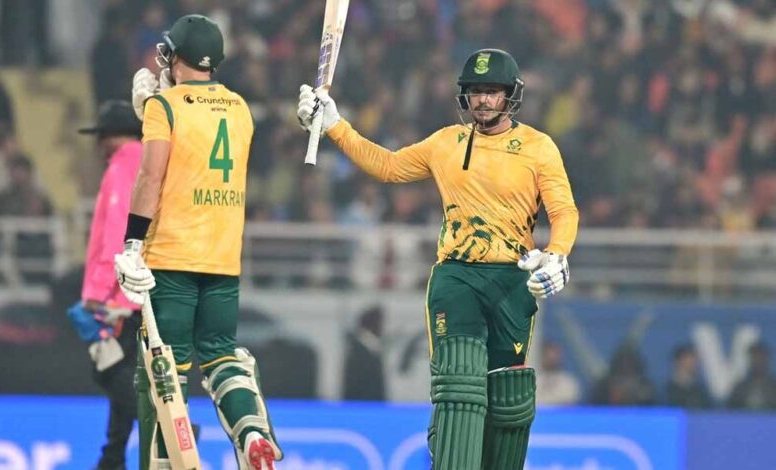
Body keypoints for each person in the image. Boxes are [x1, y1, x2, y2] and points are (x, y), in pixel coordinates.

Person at [298, 48, 579, 470]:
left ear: (510, 95)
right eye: (476, 91)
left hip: (513, 279)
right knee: (459, 385)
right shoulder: (447, 142)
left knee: (508, 400)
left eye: (492, 91)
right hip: (456, 278)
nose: (483, 100)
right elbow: (389, 166)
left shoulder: (539, 148)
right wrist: (336, 126)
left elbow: (564, 211)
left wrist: (557, 255)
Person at [115, 14, 282, 470]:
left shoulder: (165, 107)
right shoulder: (240, 108)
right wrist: (154, 108)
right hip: (223, 259)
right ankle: (252, 433)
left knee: (166, 374)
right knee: (222, 356)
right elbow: (200, 148)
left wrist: (132, 244)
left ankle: (167, 464)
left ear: (177, 56)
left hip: (171, 256)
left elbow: (152, 176)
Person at [67, 100, 143, 470]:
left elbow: (116, 233)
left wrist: (97, 294)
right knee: (126, 370)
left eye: (100, 137)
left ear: (112, 137)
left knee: (109, 370)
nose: (97, 146)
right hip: (143, 288)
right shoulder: (149, 163)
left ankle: (164, 426)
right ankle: (111, 458)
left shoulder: (122, 167)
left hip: (118, 296)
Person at [728, 341, 776, 410]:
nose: (758, 361)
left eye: (761, 357)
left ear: (767, 359)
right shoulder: (740, 387)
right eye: (755, 357)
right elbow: (730, 410)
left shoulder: (774, 387)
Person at [665, 344, 712, 409]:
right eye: (690, 358)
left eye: (696, 359)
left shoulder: (700, 392)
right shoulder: (667, 392)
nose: (695, 363)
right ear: (679, 361)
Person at [536, 341, 581, 406]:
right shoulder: (534, 381)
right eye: (548, 355)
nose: (551, 358)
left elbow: (570, 403)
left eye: (554, 354)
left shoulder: (569, 383)